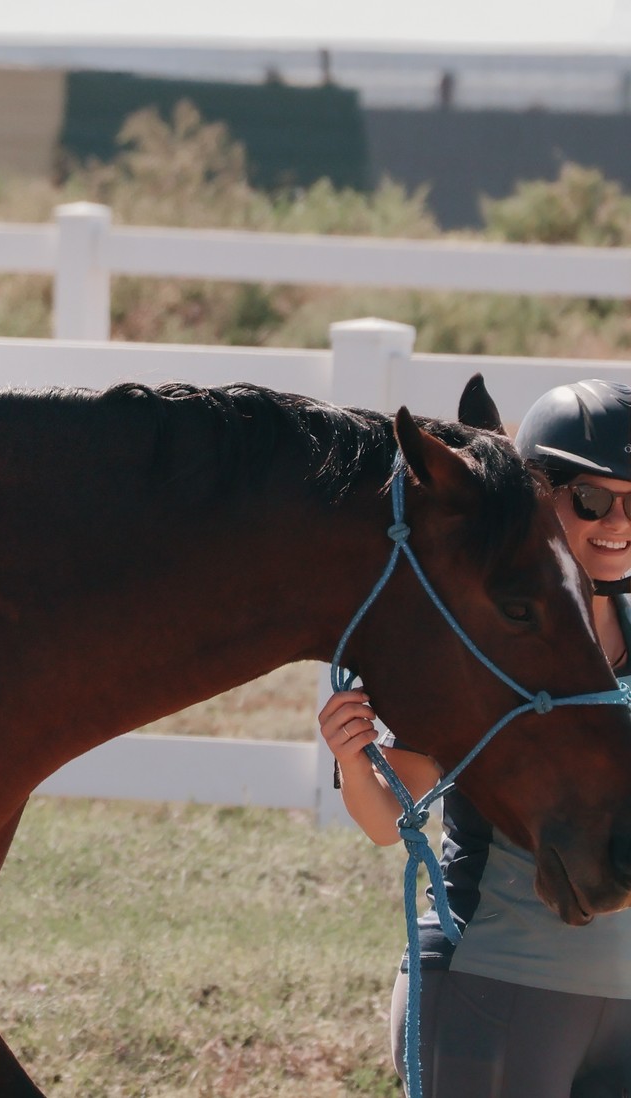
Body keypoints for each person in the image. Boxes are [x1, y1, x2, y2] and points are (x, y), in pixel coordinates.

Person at [320, 378, 631, 1098]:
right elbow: (383, 824)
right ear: (534, 496)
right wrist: (352, 759)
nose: (618, 522)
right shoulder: (489, 649)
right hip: (496, 987)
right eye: (591, 500)